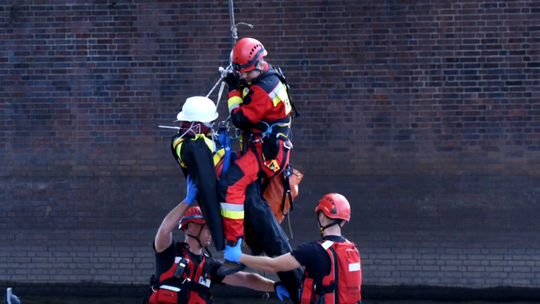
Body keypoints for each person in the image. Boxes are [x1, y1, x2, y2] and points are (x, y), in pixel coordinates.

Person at [170, 95, 303, 303]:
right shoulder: (191, 146)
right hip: (239, 199)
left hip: (240, 195)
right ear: (196, 125)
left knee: (273, 241)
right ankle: (300, 290)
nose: (211, 127)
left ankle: (297, 287)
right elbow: (207, 179)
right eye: (209, 124)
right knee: (275, 241)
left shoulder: (195, 142)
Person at [144, 177, 290, 304]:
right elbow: (164, 229)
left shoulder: (210, 267)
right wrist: (187, 200)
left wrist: (275, 286)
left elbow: (246, 279)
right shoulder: (169, 253)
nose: (211, 234)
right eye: (206, 228)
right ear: (190, 228)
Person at [218, 37, 296, 274]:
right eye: (240, 73)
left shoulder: (264, 89)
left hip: (267, 154)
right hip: (262, 146)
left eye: (246, 73)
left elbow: (240, 118)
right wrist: (240, 82)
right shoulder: (265, 77)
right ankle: (249, 243)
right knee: (247, 195)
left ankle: (235, 247)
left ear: (259, 64)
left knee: (230, 185)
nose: (243, 77)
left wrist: (232, 89)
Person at [224, 193, 362, 304]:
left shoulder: (313, 251)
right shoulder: (353, 251)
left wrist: (239, 256)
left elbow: (272, 265)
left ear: (321, 218)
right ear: (343, 221)